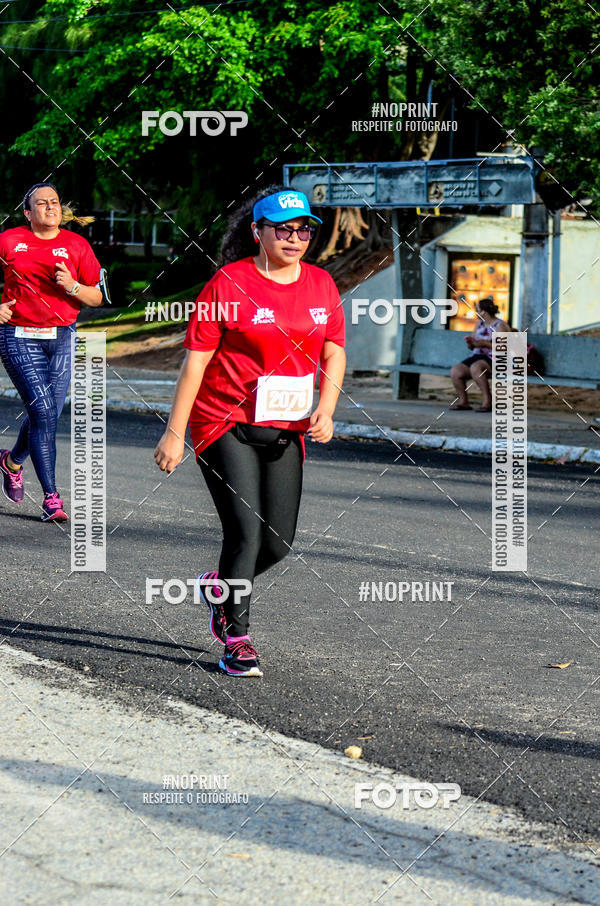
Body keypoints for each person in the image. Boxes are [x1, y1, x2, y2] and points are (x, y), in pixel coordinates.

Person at [154, 187, 346, 677]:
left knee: (277, 543)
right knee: (245, 532)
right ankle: (237, 640)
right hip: (224, 421)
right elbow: (195, 364)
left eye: (304, 229)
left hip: (285, 427)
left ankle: (219, 587)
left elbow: (334, 350)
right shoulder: (228, 283)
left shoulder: (322, 284)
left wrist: (327, 407)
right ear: (257, 232)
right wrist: (175, 432)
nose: (295, 238)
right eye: (283, 229)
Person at [0, 183, 103, 521]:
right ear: (27, 213)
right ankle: (51, 498)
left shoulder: (77, 245)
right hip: (18, 335)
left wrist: (72, 286)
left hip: (61, 337)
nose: (50, 207)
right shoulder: (9, 241)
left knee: (46, 414)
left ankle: (11, 462)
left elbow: (96, 297)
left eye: (54, 202)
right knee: (43, 411)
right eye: (41, 203)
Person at [449, 297, 510, 411]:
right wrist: (471, 343)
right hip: (478, 356)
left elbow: (504, 348)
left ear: (484, 311)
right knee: (456, 371)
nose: (476, 312)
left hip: (496, 358)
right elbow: (473, 345)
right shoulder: (479, 324)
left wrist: (485, 344)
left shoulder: (500, 325)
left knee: (476, 368)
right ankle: (463, 402)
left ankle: (487, 401)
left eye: (478, 310)